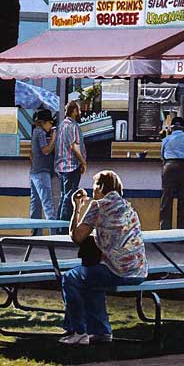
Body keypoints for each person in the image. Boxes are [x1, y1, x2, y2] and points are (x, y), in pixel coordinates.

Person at [60, 170, 148, 345]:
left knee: (70, 278)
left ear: (100, 187)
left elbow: (77, 236)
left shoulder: (98, 206)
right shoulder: (128, 207)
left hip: (117, 271)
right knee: (92, 281)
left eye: (94, 185)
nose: (92, 189)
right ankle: (101, 332)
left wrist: (76, 206)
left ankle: (78, 331)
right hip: (139, 271)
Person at [55, 101, 87, 233]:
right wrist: (83, 162)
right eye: (78, 110)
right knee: (69, 197)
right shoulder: (73, 126)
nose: (80, 113)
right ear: (74, 111)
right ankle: (64, 229)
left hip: (60, 166)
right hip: (71, 166)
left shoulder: (61, 125)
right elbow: (74, 147)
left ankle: (58, 227)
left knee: (63, 196)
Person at [160, 117, 184, 230]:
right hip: (183, 167)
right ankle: (183, 232)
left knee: (166, 199)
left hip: (169, 166)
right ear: (183, 127)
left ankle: (165, 231)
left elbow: (162, 156)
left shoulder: (166, 139)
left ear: (172, 127)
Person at [29, 109, 57, 235]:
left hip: (34, 170)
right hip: (42, 171)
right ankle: (54, 234)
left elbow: (31, 153)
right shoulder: (40, 133)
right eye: (50, 123)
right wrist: (53, 139)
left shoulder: (35, 132)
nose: (51, 126)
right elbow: (46, 150)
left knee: (35, 204)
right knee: (48, 204)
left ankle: (35, 233)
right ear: (43, 122)